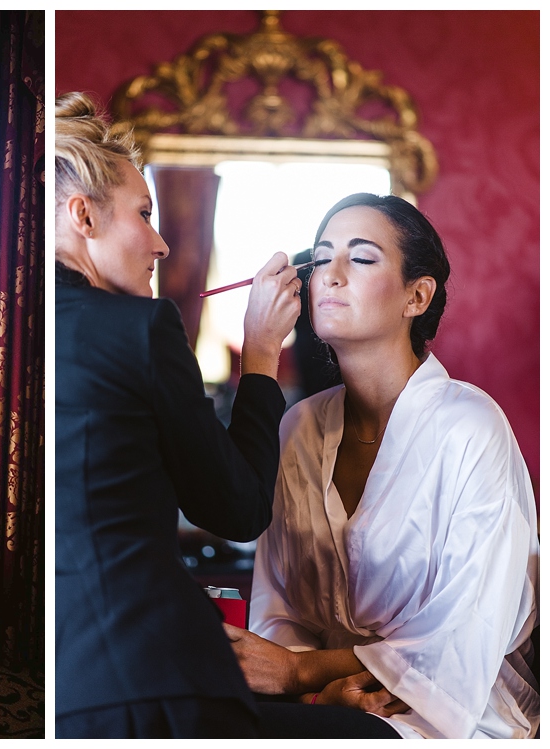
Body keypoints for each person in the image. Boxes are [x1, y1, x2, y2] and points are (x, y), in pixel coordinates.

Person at [56, 89, 322, 738]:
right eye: (143, 214)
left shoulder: (11, 339)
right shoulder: (140, 328)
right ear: (82, 215)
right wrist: (260, 352)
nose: (162, 243)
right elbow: (237, 507)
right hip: (152, 678)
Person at [231, 193, 540, 738]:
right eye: (322, 257)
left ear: (416, 296)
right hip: (325, 707)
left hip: (445, 714)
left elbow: (464, 633)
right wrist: (314, 690)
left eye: (363, 258)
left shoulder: (470, 427)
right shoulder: (298, 428)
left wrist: (303, 669)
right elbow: (278, 607)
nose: (332, 274)